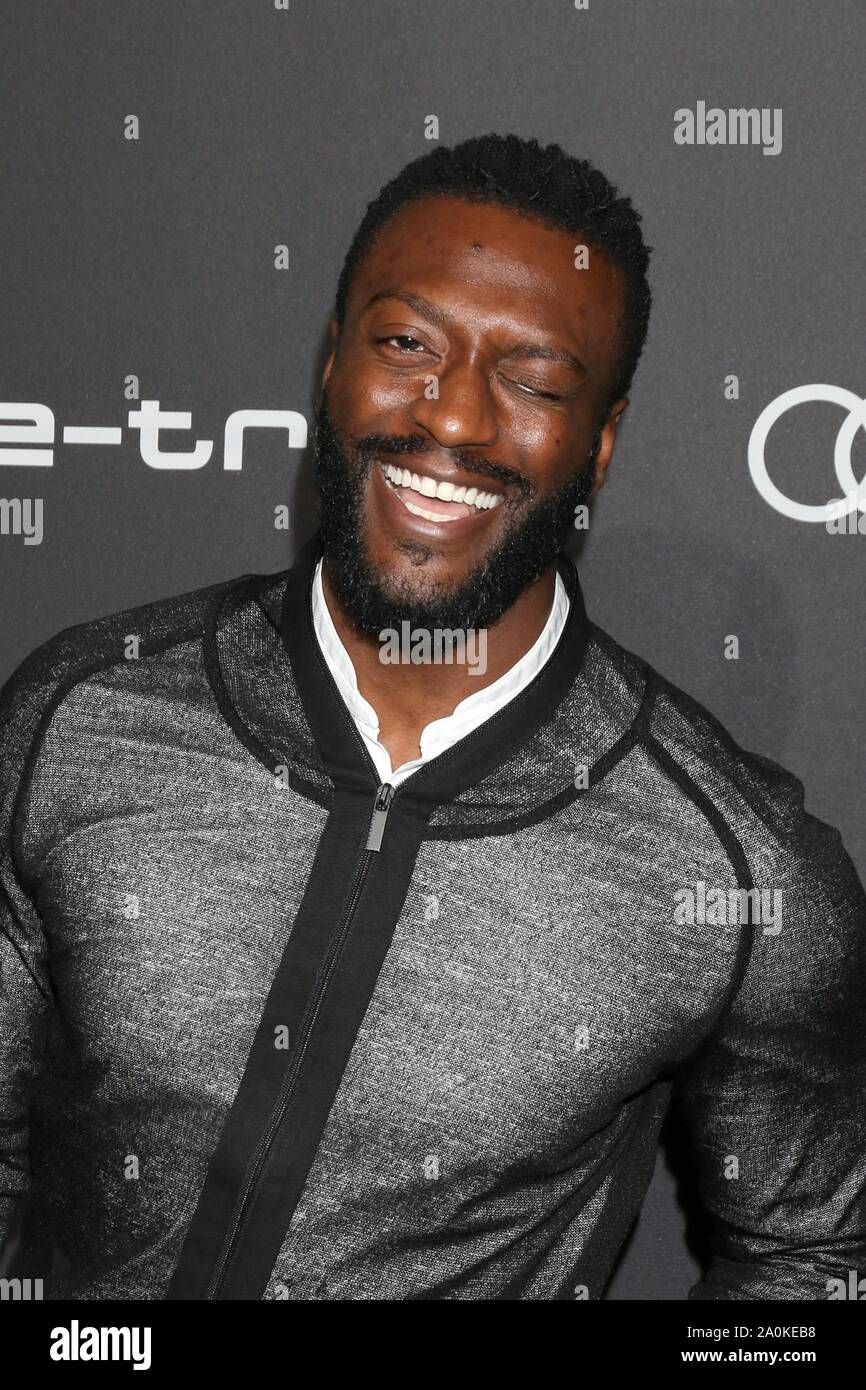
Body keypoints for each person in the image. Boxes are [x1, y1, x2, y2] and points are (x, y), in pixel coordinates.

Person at [1, 134, 864, 1301]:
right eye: (406, 343)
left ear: (597, 444)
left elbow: (815, 1257)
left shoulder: (736, 866)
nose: (452, 416)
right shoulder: (81, 717)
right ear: (331, 365)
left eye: (531, 379)